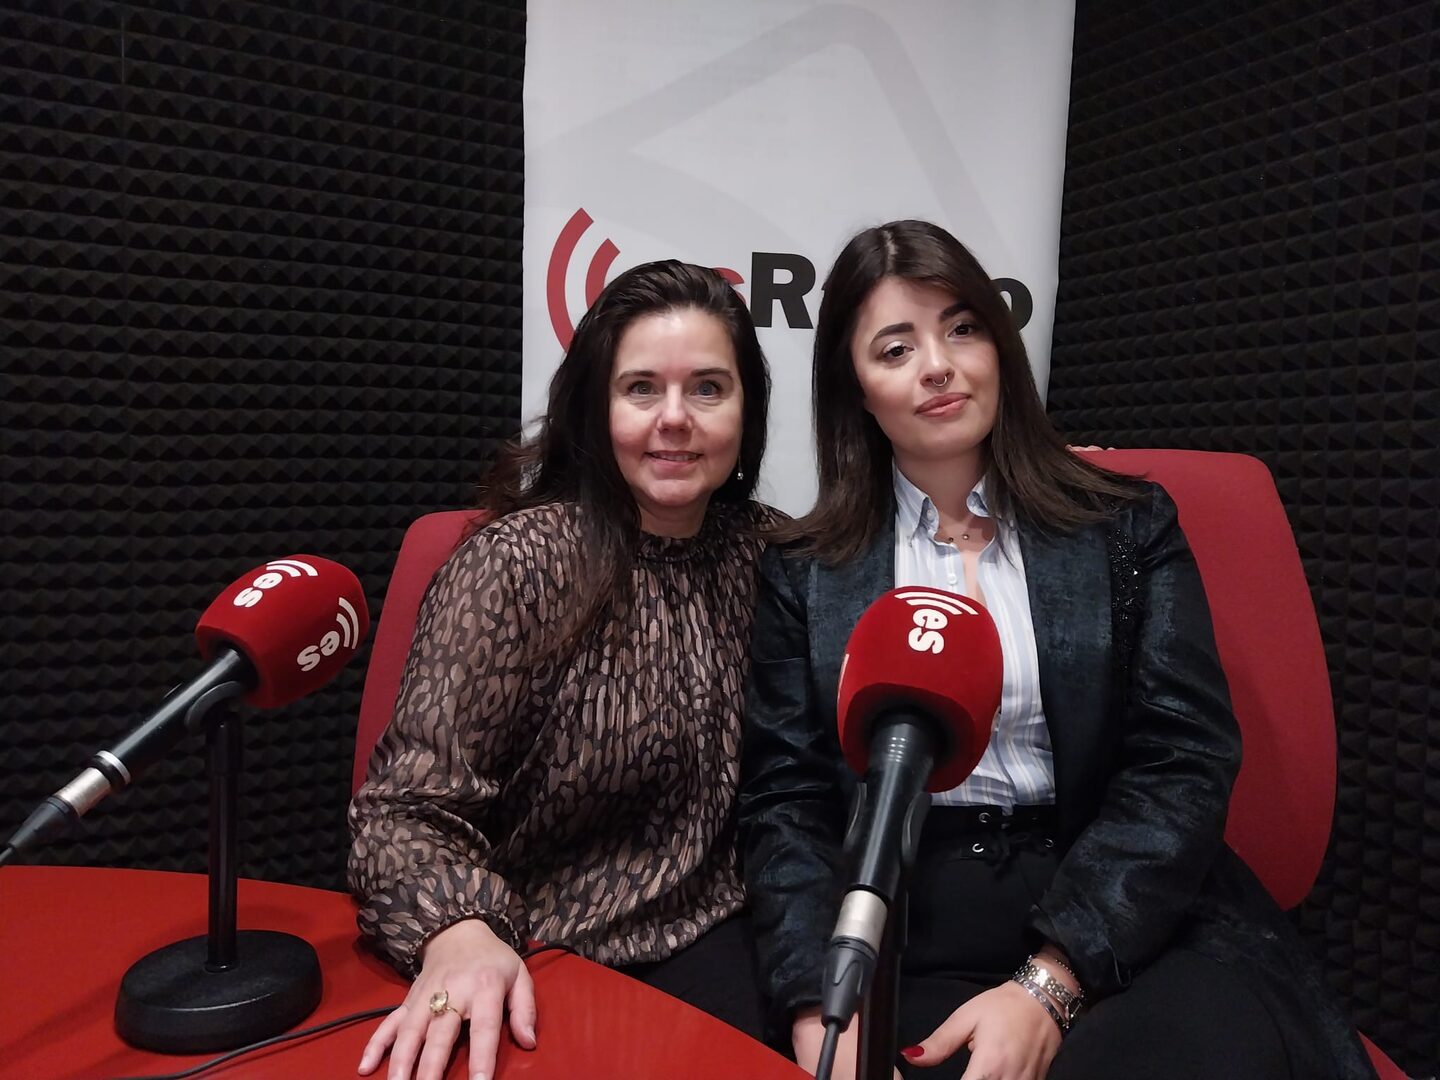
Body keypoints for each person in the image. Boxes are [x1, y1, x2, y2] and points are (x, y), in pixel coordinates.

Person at [737, 220, 1376, 1080]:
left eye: (962, 328)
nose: (938, 365)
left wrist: (1052, 982)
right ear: (856, 387)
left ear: (1000, 348)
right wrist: (822, 1003)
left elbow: (1183, 760)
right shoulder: (804, 571)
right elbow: (784, 801)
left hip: (1120, 905)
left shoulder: (1126, 528)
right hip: (906, 918)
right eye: (895, 348)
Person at [348, 260, 776, 1080]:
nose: (675, 418)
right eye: (641, 388)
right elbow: (403, 811)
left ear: (745, 411)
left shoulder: (768, 557)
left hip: (718, 947)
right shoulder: (516, 565)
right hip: (533, 952)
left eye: (708, 389)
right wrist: (459, 934)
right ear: (595, 407)